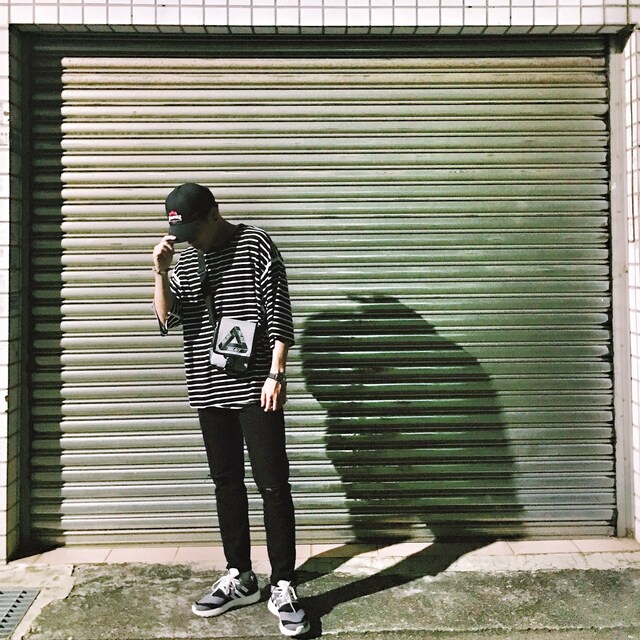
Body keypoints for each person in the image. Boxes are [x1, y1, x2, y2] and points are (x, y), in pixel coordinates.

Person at [152, 183, 309, 638]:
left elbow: (278, 311)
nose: (192, 240)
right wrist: (160, 272)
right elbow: (167, 320)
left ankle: (283, 583)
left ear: (214, 214)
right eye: (183, 234)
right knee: (226, 484)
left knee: (273, 485)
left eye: (196, 230)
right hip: (207, 386)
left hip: (256, 386)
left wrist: (276, 374)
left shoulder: (255, 243)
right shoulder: (186, 259)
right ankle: (240, 576)